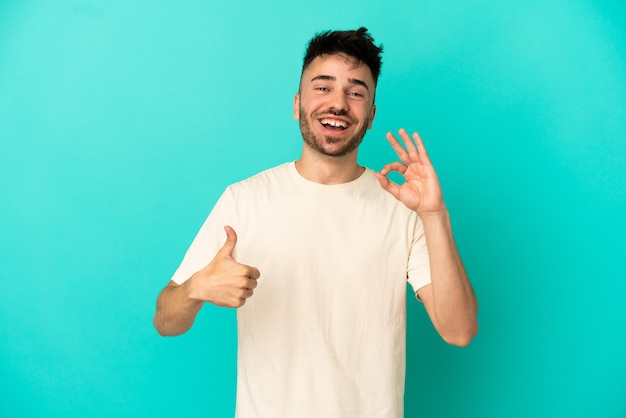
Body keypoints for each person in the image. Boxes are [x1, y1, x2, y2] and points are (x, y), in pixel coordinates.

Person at [153, 27, 478, 417]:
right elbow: (165, 320)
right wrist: (195, 288)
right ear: (297, 103)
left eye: (356, 92)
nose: (338, 104)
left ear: (371, 115)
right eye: (322, 87)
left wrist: (434, 215)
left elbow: (459, 331)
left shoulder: (401, 208)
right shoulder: (244, 200)